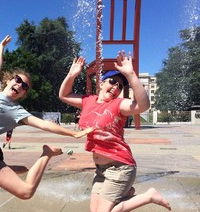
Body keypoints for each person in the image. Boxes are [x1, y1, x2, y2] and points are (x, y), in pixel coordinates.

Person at [0, 35, 93, 203]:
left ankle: (46, 154)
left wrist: (73, 134)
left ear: (23, 94)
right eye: (18, 80)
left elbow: (43, 124)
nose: (20, 85)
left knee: (26, 192)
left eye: (24, 86)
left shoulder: (15, 110)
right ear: (9, 80)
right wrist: (1, 47)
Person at [59, 52, 171, 212]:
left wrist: (131, 74)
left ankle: (149, 196)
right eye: (112, 82)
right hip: (100, 169)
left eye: (120, 86)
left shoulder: (119, 104)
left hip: (120, 166)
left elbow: (144, 106)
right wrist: (71, 75)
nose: (116, 87)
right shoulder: (87, 101)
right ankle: (125, 194)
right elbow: (63, 95)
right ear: (101, 83)